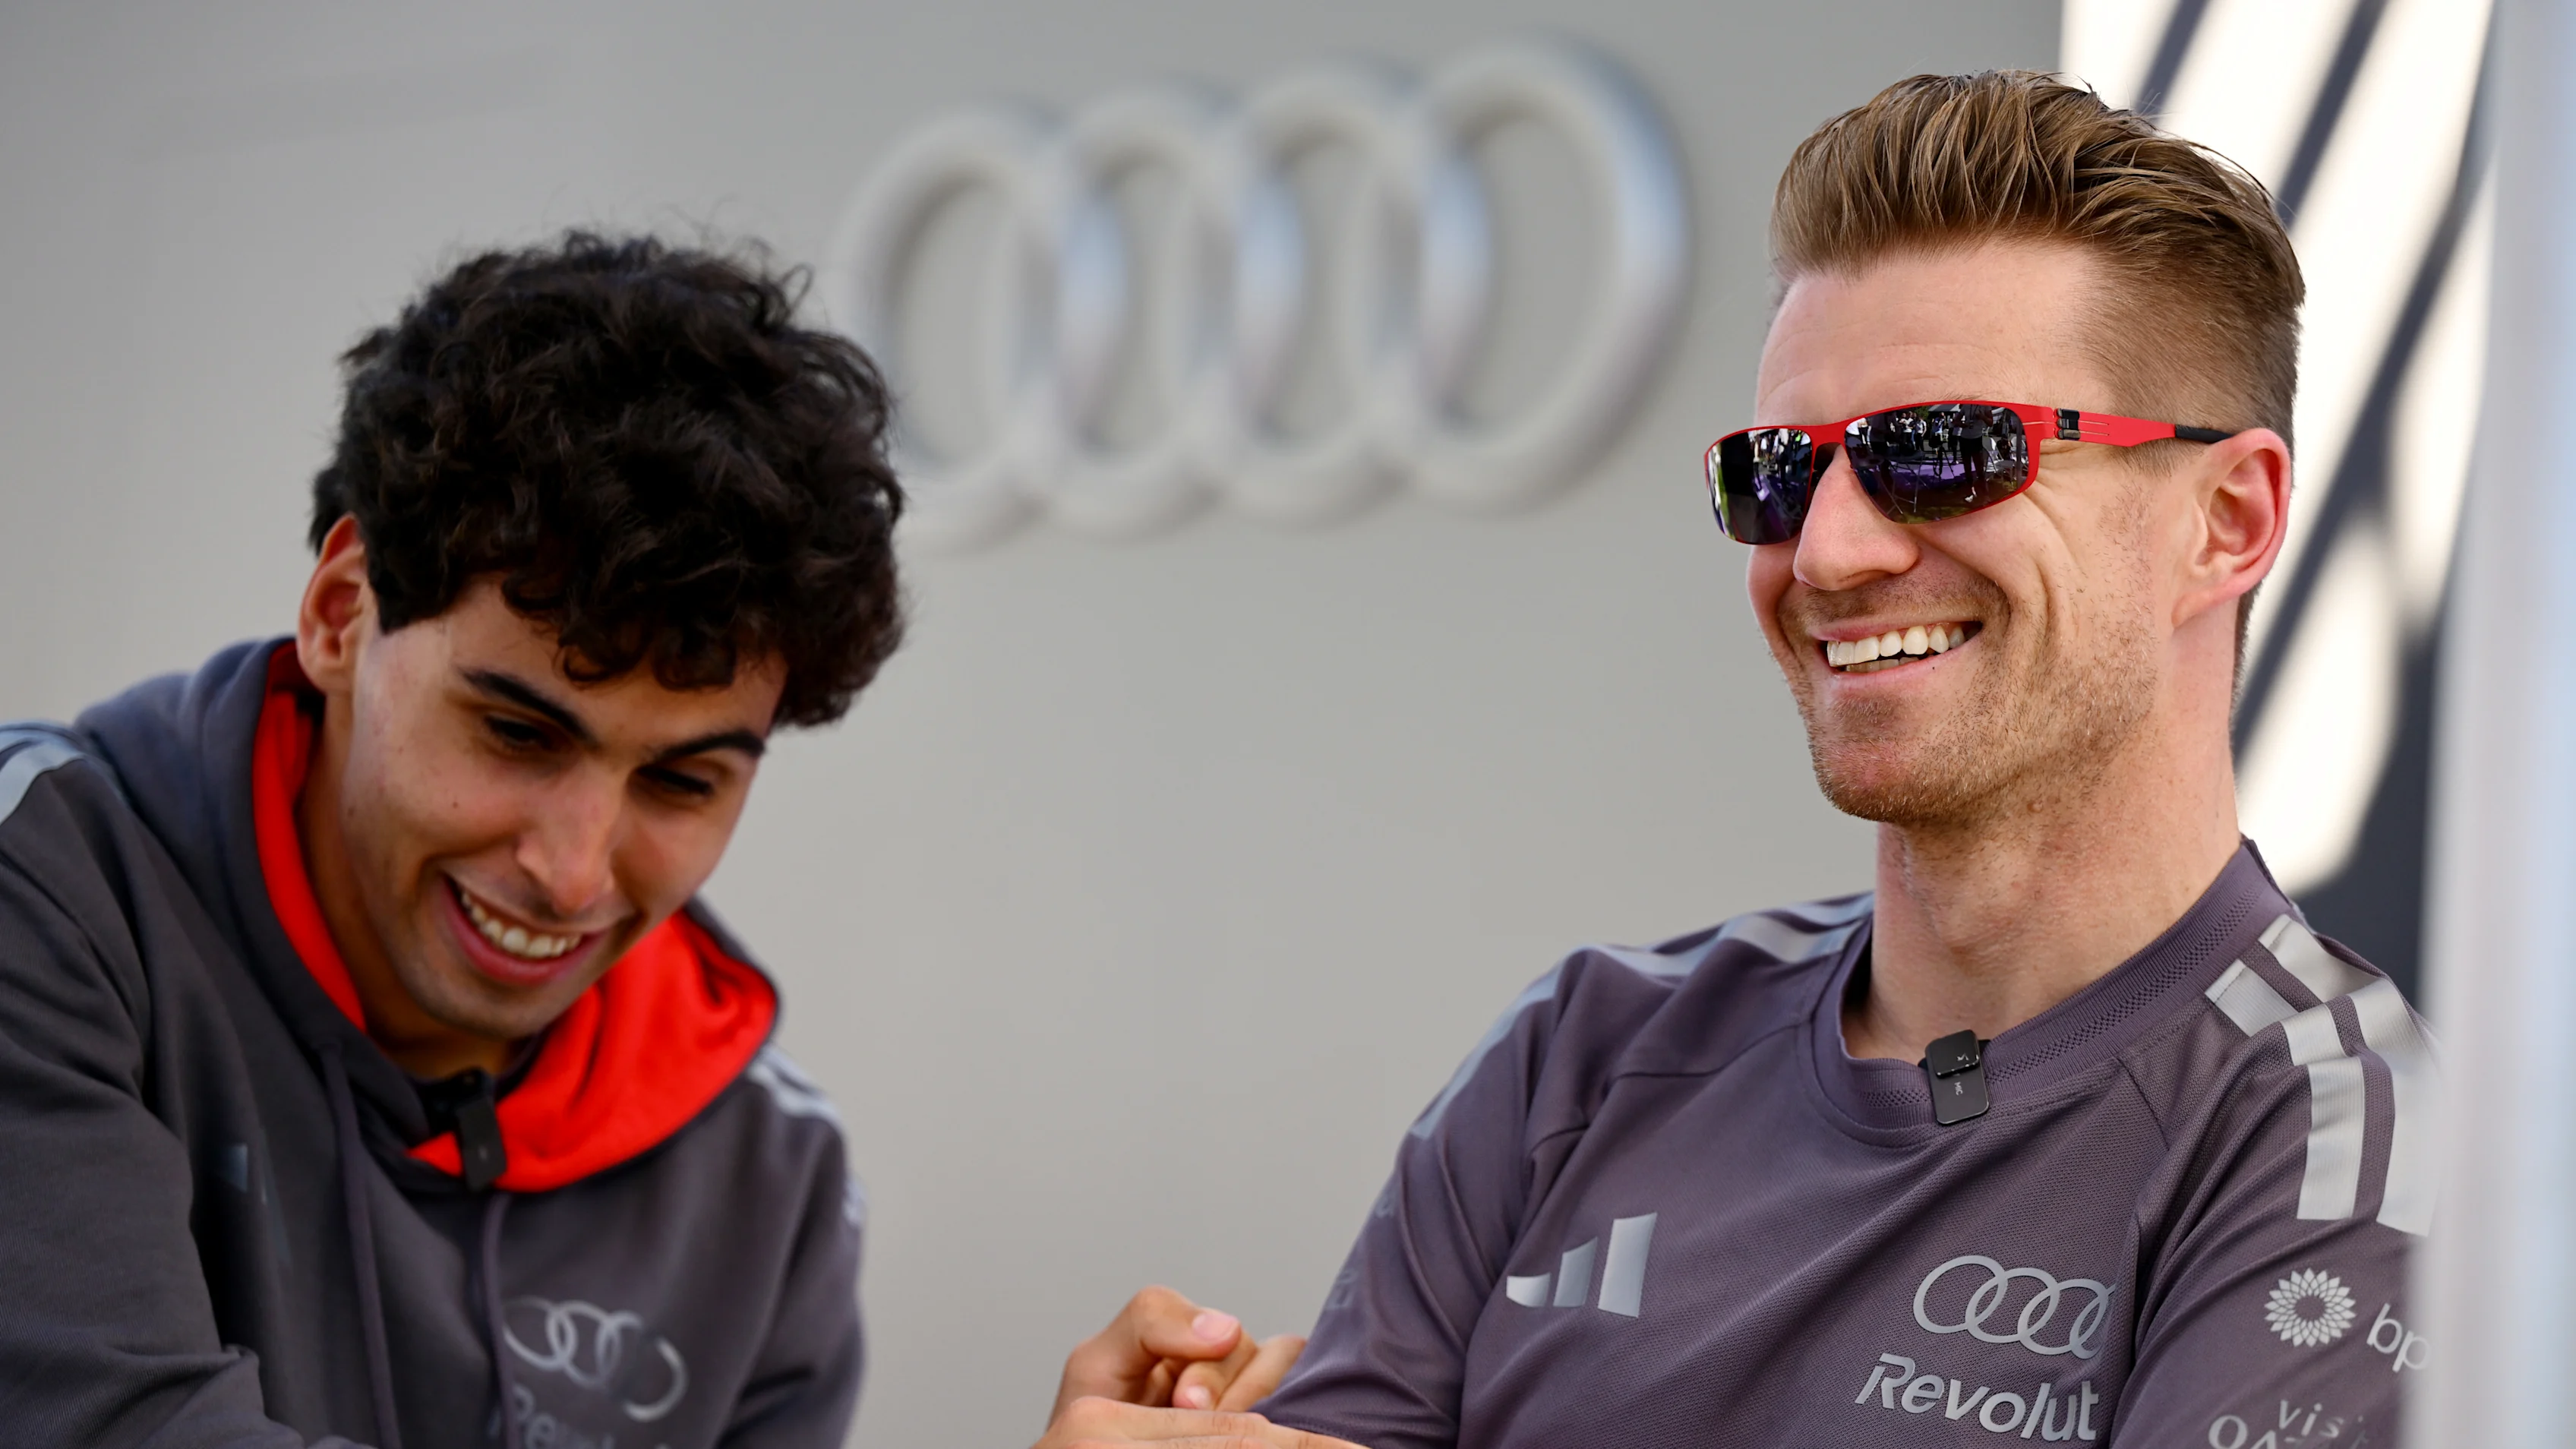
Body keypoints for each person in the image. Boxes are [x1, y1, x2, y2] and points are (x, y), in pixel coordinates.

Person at [1236, 71, 2436, 1447]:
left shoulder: (2344, 1154)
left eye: (1943, 455)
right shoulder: (1586, 1053)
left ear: (2228, 519)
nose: (1829, 553)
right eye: (1781, 474)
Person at [0, 232, 1290, 1449]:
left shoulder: (764, 1177)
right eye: (516, 733)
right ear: (343, 613)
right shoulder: (46, 893)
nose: (571, 870)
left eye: (681, 782)